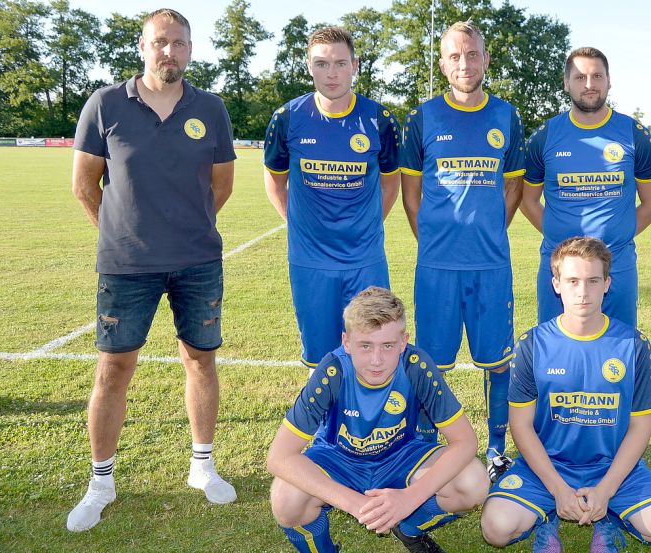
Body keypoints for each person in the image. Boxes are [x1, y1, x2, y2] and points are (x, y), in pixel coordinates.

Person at [67, 8, 237, 532]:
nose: (171, 52)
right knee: (113, 370)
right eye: (161, 42)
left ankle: (202, 466)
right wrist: (122, 235)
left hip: (197, 262)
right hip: (126, 266)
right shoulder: (105, 104)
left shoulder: (210, 108)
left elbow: (221, 186)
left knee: (200, 362)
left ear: (190, 49)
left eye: (180, 43)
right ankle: (101, 482)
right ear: (143, 47)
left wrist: (185, 230)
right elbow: (84, 185)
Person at [480, 237, 651, 553]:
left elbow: (640, 426)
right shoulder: (532, 345)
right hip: (547, 467)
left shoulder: (632, 345)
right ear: (556, 284)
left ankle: (610, 520)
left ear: (607, 283)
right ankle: (547, 517)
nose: (583, 291)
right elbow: (521, 426)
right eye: (573, 280)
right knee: (496, 529)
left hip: (614, 469)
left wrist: (606, 490)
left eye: (593, 280)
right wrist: (558, 489)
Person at [267, 287, 489, 553]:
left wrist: (408, 499)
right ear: (346, 342)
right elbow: (279, 457)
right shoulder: (332, 370)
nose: (376, 360)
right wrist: (354, 503)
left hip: (400, 456)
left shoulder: (415, 365)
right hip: (339, 459)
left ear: (403, 341)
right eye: (365, 346)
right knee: (286, 498)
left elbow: (465, 441)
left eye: (387, 346)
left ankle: (408, 525)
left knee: (473, 482)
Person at [399, 21, 524, 468]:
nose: (464, 63)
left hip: (490, 264)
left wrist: (488, 230)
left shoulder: (507, 117)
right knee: (432, 364)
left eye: (472, 54)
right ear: (443, 62)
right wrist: (432, 239)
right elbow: (410, 193)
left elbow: (513, 190)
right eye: (455, 56)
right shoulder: (422, 117)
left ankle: (496, 448)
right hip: (437, 265)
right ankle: (430, 447)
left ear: (486, 59)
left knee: (497, 361)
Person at [263, 27, 401, 369]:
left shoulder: (379, 120)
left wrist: (364, 227)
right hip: (310, 260)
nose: (332, 73)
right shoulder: (287, 118)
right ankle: (327, 424)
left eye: (340, 63)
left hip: (365, 258)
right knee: (321, 359)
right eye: (322, 64)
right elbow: (275, 181)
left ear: (355, 65)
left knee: (373, 352)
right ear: (309, 66)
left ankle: (367, 423)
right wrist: (298, 226)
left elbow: (390, 185)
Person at [520, 47, 651, 329]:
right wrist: (565, 244)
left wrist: (615, 238)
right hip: (559, 269)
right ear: (566, 83)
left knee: (618, 354)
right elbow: (528, 202)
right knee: (555, 355)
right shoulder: (544, 136)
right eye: (580, 77)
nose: (589, 84)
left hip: (617, 267)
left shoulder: (635, 135)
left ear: (609, 81)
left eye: (597, 75)